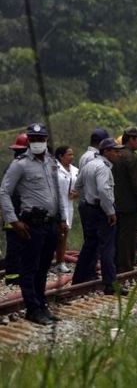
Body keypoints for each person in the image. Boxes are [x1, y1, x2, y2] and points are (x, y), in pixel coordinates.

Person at [0, 123, 68, 325]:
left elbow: (57, 194)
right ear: (29, 141)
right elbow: (4, 192)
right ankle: (32, 308)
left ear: (46, 140)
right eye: (34, 139)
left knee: (44, 267)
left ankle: (41, 304)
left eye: (41, 139)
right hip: (32, 225)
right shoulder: (19, 164)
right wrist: (14, 220)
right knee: (29, 268)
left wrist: (63, 218)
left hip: (51, 224)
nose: (38, 143)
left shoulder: (52, 163)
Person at [72, 138, 127, 295]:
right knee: (107, 247)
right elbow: (103, 190)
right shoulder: (103, 168)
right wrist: (110, 212)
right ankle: (110, 283)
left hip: (89, 208)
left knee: (90, 244)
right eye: (116, 151)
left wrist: (88, 194)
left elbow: (77, 185)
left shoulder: (89, 165)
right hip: (102, 210)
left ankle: (79, 278)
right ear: (106, 151)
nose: (118, 154)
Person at [113, 127, 137, 273]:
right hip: (129, 204)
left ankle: (116, 264)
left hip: (115, 204)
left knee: (117, 236)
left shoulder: (116, 154)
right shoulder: (131, 158)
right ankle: (126, 266)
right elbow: (136, 183)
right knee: (128, 237)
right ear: (131, 139)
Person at [3, 133, 29, 286]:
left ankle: (16, 274)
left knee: (17, 246)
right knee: (16, 247)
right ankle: (13, 277)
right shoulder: (17, 168)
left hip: (13, 214)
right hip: (16, 214)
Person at [54, 146, 79, 274]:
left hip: (69, 206)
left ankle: (60, 262)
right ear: (60, 156)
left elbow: (80, 186)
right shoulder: (54, 169)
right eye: (69, 154)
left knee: (64, 234)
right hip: (56, 207)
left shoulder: (75, 170)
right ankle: (54, 261)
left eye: (72, 154)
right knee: (56, 235)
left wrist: (77, 193)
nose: (71, 157)